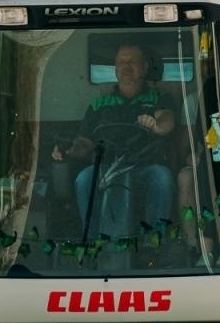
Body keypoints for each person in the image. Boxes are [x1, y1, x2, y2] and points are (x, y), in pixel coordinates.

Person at [53, 43, 176, 245]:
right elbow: (84, 142)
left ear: (144, 67)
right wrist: (68, 149)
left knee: (162, 178)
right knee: (83, 180)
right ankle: (93, 244)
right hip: (105, 167)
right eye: (121, 62)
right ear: (115, 68)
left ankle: (155, 244)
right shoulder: (99, 104)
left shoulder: (159, 97)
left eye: (132, 61)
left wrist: (155, 125)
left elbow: (167, 120)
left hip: (145, 166)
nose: (126, 66)